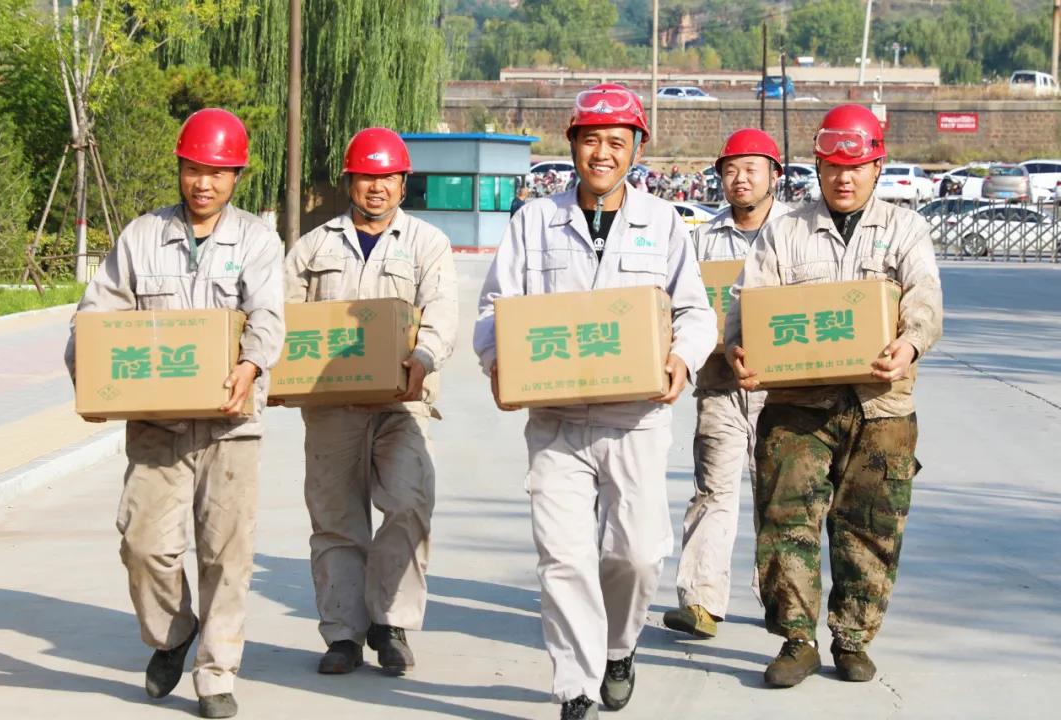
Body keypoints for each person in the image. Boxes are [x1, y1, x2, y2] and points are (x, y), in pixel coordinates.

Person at [473, 83, 715, 720]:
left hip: (635, 419)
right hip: (555, 421)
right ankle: (575, 686)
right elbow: (495, 308)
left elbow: (695, 311)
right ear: (572, 145)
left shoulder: (663, 222)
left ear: (636, 149)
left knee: (635, 554)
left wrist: (681, 359)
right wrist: (498, 362)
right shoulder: (534, 222)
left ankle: (618, 647)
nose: (602, 153)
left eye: (615, 141)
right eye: (590, 140)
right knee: (563, 556)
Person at [64, 108, 284, 719]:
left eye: (217, 172)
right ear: (179, 169)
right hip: (157, 425)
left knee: (226, 553)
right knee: (143, 545)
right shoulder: (141, 236)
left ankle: (216, 672)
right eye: (192, 169)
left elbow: (268, 316)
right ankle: (173, 632)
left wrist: (251, 365)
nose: (203, 183)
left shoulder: (257, 241)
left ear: (236, 176)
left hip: (231, 423)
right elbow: (94, 316)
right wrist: (91, 382)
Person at [723, 104, 943, 688]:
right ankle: (796, 640)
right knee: (785, 520)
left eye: (856, 167)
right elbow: (748, 300)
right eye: (832, 168)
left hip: (882, 406)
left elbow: (924, 296)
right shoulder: (785, 229)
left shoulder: (905, 228)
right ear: (817, 169)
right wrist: (739, 346)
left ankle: (852, 639)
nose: (844, 178)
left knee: (870, 525)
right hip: (798, 405)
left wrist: (910, 344)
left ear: (877, 167)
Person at [283, 128, 458, 677]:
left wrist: (424, 357)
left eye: (387, 178)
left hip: (402, 402)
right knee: (335, 520)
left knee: (409, 503)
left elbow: (442, 311)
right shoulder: (314, 247)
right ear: (349, 181)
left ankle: (390, 621)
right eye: (365, 176)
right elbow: (284, 317)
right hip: (331, 406)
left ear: (403, 183)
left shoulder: (427, 243)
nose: (376, 187)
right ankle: (342, 634)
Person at [664, 128, 789, 640]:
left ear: (775, 176)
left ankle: (783, 603)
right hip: (720, 385)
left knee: (780, 496)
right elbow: (681, 306)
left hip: (784, 390)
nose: (740, 179)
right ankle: (701, 602)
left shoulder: (797, 231)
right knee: (712, 490)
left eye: (751, 169)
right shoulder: (701, 240)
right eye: (730, 170)